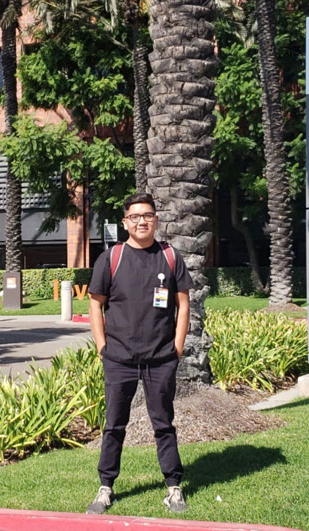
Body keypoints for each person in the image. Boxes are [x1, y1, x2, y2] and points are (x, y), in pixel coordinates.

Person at [86, 193, 193, 515]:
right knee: (114, 425)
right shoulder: (111, 258)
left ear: (156, 220)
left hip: (161, 358)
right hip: (118, 358)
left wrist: (177, 346)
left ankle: (174, 488)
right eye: (135, 217)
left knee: (164, 424)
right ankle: (106, 487)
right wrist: (102, 346)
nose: (141, 221)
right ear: (125, 223)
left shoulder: (170, 256)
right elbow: (95, 302)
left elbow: (183, 303)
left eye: (147, 215)